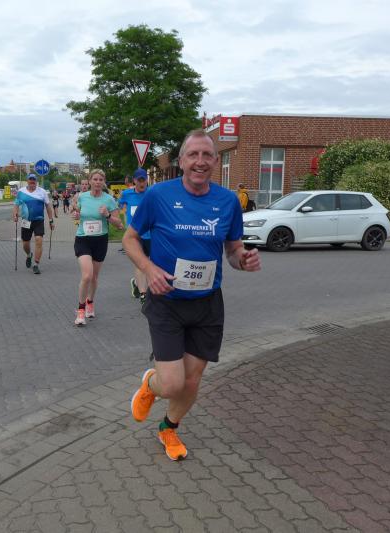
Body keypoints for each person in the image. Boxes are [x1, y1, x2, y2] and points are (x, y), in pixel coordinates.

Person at [123, 129, 261, 461]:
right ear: (182, 161)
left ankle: (168, 428)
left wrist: (242, 260)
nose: (200, 161)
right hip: (167, 300)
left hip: (207, 304)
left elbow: (232, 250)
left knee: (191, 381)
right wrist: (149, 269)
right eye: (193, 155)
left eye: (207, 155)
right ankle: (151, 385)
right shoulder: (159, 195)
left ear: (215, 160)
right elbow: (129, 238)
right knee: (172, 384)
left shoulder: (228, 201)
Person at [72, 169, 123, 326]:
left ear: (104, 182)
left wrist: (107, 215)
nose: (98, 182)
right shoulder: (82, 197)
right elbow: (76, 213)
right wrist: (76, 215)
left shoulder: (109, 199)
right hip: (83, 239)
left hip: (100, 240)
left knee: (94, 277)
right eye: (95, 179)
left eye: (101, 179)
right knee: (87, 275)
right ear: (90, 181)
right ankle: (81, 310)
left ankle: (90, 302)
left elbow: (119, 225)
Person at [118, 168, 151, 303]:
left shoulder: (152, 193)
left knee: (149, 263)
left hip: (150, 234)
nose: (142, 183)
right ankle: (143, 295)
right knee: (140, 263)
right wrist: (121, 218)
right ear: (134, 181)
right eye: (139, 180)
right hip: (134, 235)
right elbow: (119, 207)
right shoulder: (126, 194)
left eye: (144, 180)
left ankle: (136, 283)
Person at [13, 174, 54, 275]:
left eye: (34, 180)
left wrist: (51, 220)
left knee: (39, 240)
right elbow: (16, 204)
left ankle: (36, 264)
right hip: (26, 221)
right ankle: (29, 255)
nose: (32, 181)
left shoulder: (42, 192)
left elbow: (48, 206)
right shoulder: (21, 192)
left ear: (36, 181)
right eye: (30, 179)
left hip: (38, 221)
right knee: (25, 243)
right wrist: (15, 214)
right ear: (27, 181)